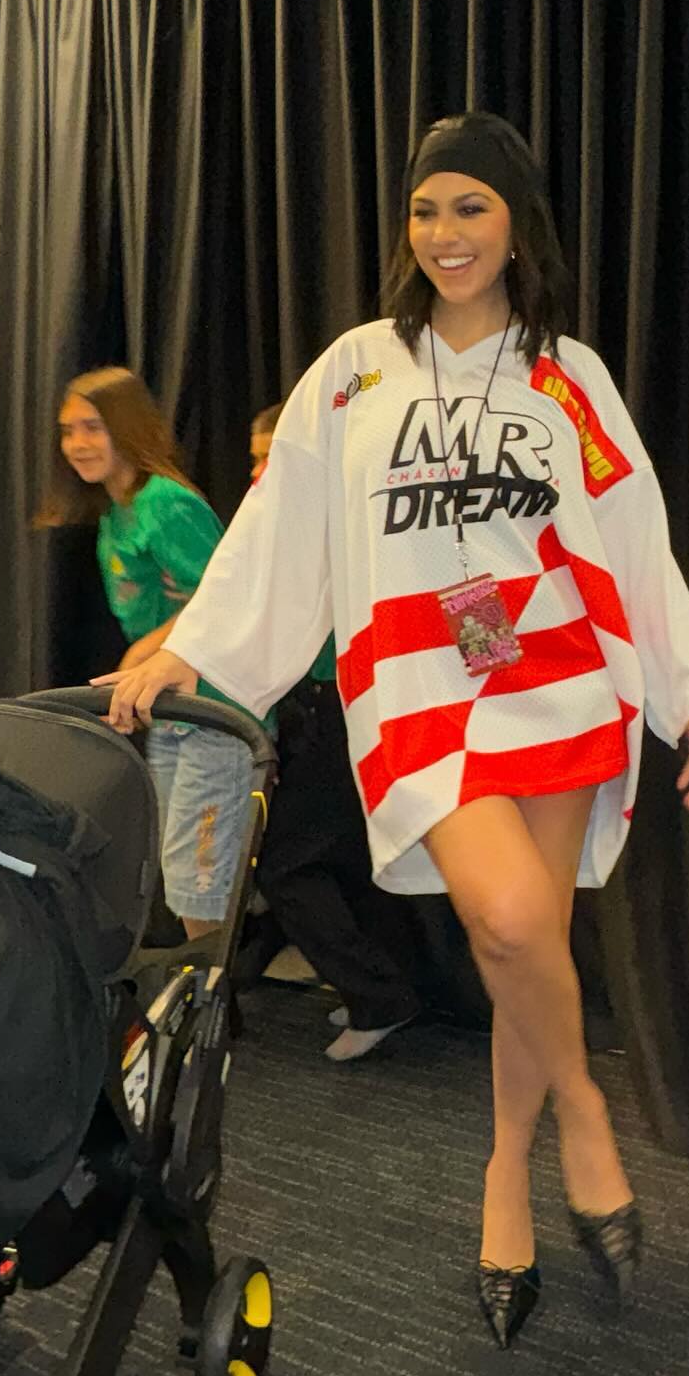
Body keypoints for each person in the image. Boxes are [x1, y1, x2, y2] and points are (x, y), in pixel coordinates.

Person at [95, 113, 689, 1348]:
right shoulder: (356, 369)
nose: (445, 234)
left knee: (525, 944)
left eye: (472, 208)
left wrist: (686, 692)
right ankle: (587, 1115)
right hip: (421, 687)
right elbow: (279, 527)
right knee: (504, 917)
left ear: (515, 224)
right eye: (427, 209)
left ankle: (505, 1178)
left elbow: (636, 533)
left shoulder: (569, 375)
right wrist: (193, 648)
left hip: (556, 677)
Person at [47, 368, 253, 940]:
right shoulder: (117, 511)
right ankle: (203, 998)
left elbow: (227, 590)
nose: (77, 444)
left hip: (214, 708)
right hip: (172, 708)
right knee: (180, 868)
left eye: (93, 427)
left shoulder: (165, 503)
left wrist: (146, 648)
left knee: (199, 877)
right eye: (68, 431)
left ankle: (208, 1007)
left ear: (126, 426)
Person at [247, 403, 424, 1062]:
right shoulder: (295, 528)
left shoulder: (358, 522)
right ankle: (385, 989)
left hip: (359, 709)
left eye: (275, 455)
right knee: (347, 858)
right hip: (327, 709)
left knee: (289, 862)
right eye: (255, 458)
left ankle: (382, 996)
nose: (261, 470)